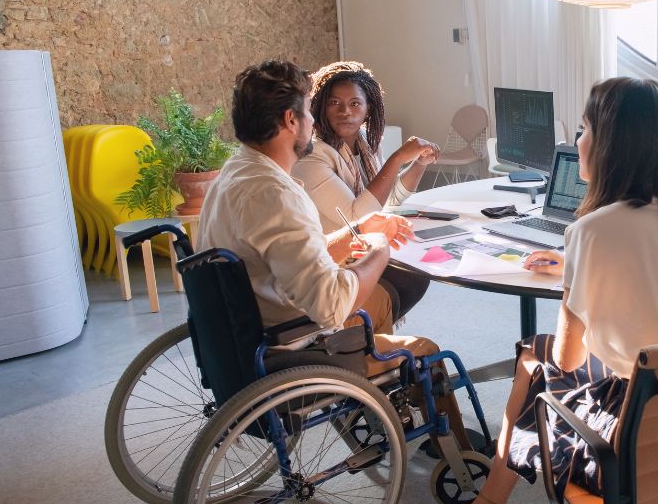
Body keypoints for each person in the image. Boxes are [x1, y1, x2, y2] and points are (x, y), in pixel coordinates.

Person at [423, 77, 658, 504]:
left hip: (642, 413)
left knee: (539, 366)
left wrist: (577, 275)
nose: (577, 142)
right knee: (534, 359)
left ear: (611, 143)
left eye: (585, 129)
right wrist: (584, 268)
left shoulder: (594, 231)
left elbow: (570, 358)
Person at [198, 59, 470, 449]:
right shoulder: (279, 194)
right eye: (311, 110)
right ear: (292, 120)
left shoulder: (236, 172)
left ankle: (385, 408)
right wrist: (376, 248)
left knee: (392, 286)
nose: (315, 121)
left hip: (242, 330)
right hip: (294, 343)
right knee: (426, 349)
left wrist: (357, 231)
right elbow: (330, 305)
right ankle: (459, 457)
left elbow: (286, 253)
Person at [292, 61, 439, 323]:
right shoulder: (313, 157)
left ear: (369, 109)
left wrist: (418, 164)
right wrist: (397, 158)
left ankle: (369, 335)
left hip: (359, 250)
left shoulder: (365, 145)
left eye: (355, 104)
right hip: (332, 263)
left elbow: (387, 199)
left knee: (417, 264)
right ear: (321, 107)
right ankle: (359, 332)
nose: (345, 112)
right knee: (408, 269)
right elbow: (358, 216)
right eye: (335, 103)